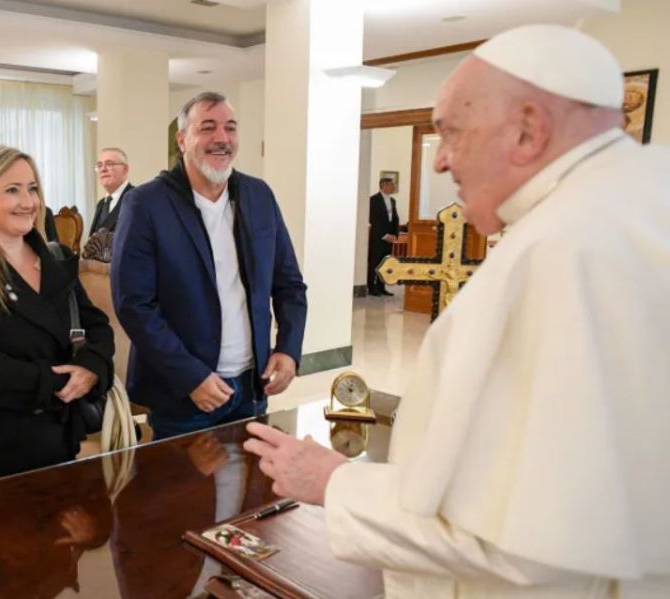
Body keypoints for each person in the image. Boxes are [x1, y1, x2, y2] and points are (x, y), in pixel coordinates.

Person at [245, 24, 670, 598]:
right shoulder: (643, 196)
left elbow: (523, 543)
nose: (440, 161)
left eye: (451, 132)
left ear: (527, 130)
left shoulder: (565, 252)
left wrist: (335, 484)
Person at [111, 91, 307, 440]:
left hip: (252, 386)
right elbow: (134, 305)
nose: (222, 138)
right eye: (208, 127)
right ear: (182, 140)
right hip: (183, 395)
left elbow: (289, 283)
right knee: (183, 494)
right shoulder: (146, 204)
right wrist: (191, 377)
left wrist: (288, 349)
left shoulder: (259, 195)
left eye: (230, 128)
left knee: (250, 490)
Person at [0, 144, 114, 487]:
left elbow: (98, 328)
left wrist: (91, 368)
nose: (28, 202)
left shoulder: (56, 260)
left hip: (58, 437)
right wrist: (61, 383)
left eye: (32, 189)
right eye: (12, 190)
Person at [89, 147, 134, 236]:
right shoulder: (101, 204)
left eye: (109, 164)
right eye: (99, 165)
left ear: (125, 169)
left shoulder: (136, 200)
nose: (103, 169)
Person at [367, 177, 400, 296]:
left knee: (385, 263)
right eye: (391, 185)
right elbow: (373, 219)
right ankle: (371, 287)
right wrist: (384, 235)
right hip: (378, 237)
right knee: (374, 262)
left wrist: (395, 234)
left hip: (390, 237)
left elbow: (395, 218)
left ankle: (382, 287)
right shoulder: (373, 200)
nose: (393, 187)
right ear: (383, 186)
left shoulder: (392, 201)